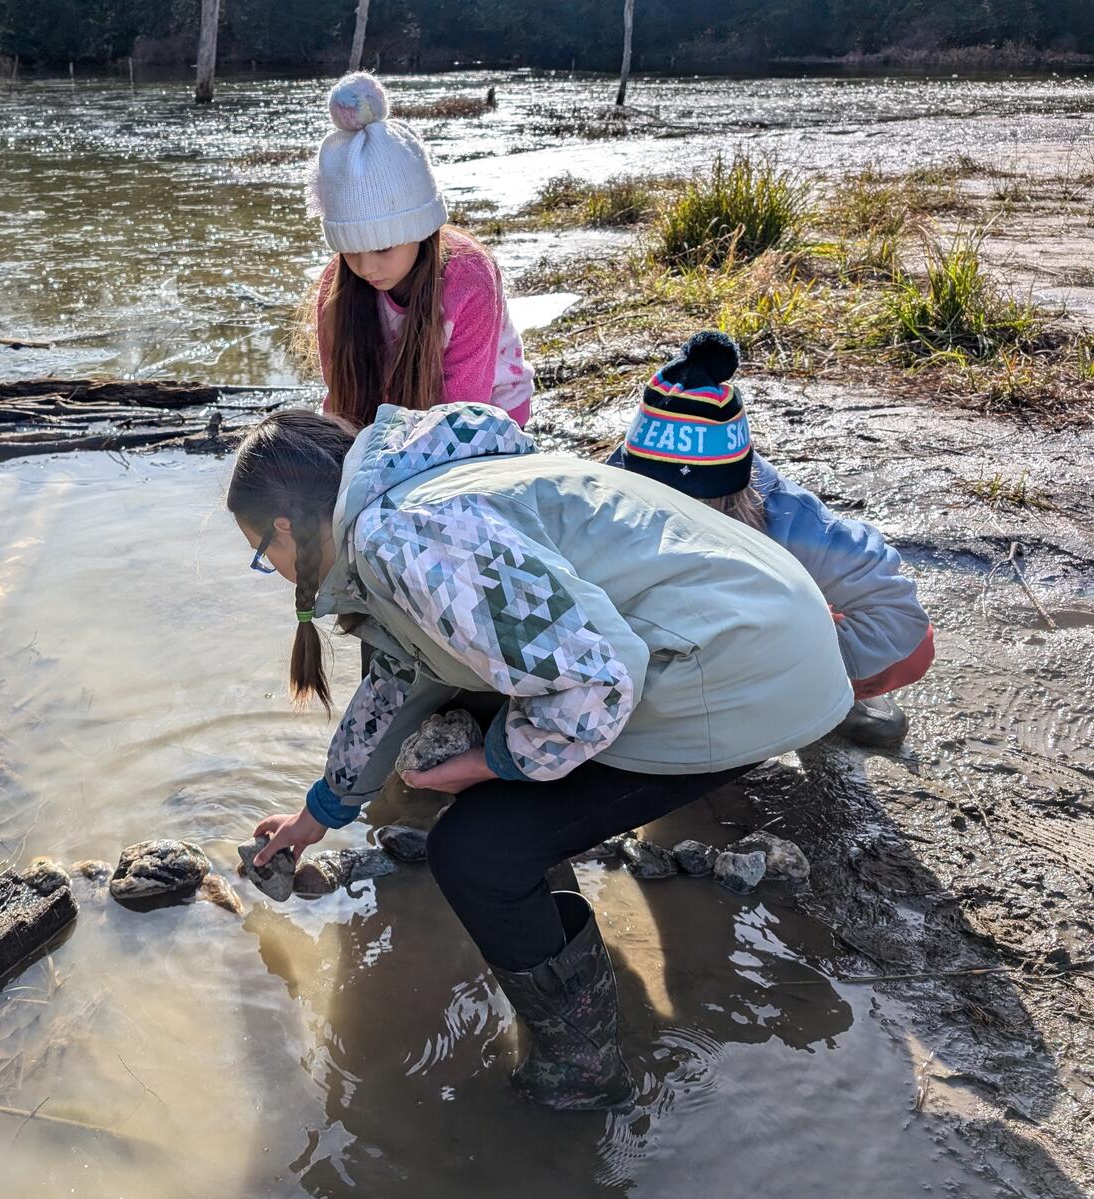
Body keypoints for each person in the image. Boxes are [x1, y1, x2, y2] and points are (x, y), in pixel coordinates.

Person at [227, 401, 851, 1110]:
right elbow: (405, 674)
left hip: (743, 671)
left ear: (282, 527)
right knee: (497, 765)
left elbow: (600, 677)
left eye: (259, 552)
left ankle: (581, 1073)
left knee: (475, 849)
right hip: (768, 626)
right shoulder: (416, 482)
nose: (271, 568)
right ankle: (566, 954)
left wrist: (489, 763)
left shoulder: (398, 536)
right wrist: (320, 813)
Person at [607, 330, 934, 748]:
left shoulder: (790, 519)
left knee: (914, 649)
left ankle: (829, 704)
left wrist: (798, 673)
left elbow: (897, 613)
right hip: (667, 641)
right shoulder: (603, 495)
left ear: (733, 495)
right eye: (656, 504)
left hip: (761, 641)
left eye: (694, 507)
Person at [308, 72, 534, 430]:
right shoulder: (335, 288)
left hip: (485, 412)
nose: (366, 267)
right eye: (351, 250)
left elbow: (465, 414)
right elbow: (341, 392)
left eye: (383, 247)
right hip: (394, 407)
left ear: (420, 230)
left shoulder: (470, 279)